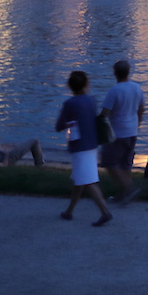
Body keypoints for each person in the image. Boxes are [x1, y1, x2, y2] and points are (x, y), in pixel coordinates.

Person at [55, 70, 112, 226]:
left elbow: (59, 125)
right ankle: (69, 211)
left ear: (70, 86)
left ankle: (105, 212)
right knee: (80, 179)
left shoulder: (70, 104)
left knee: (88, 181)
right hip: (92, 144)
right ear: (86, 84)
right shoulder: (91, 101)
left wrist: (67, 123)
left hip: (79, 147)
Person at [99, 59, 145, 204]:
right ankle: (124, 194)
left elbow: (105, 113)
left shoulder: (115, 91)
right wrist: (138, 123)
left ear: (115, 73)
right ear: (128, 72)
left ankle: (130, 188)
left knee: (109, 162)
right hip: (132, 131)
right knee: (125, 164)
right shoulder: (137, 88)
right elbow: (141, 108)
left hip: (117, 133)